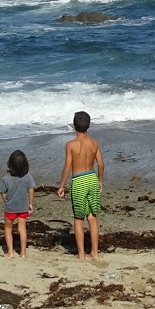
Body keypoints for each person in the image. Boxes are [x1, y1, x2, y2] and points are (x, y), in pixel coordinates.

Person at [56, 111, 104, 260]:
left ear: (73, 126)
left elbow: (67, 166)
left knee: (78, 218)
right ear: (89, 126)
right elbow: (101, 164)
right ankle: (95, 252)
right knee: (92, 217)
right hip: (91, 178)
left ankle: (82, 254)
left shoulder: (70, 145)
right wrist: (100, 180)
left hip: (79, 180)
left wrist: (62, 185)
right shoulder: (94, 143)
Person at [0, 150, 36, 258]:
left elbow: (2, 192)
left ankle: (10, 252)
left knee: (8, 229)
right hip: (23, 207)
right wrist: (31, 203)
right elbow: (31, 190)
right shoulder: (28, 177)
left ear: (10, 165)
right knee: (22, 229)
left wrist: (6, 201)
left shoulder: (6, 179)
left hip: (10, 208)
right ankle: (23, 253)